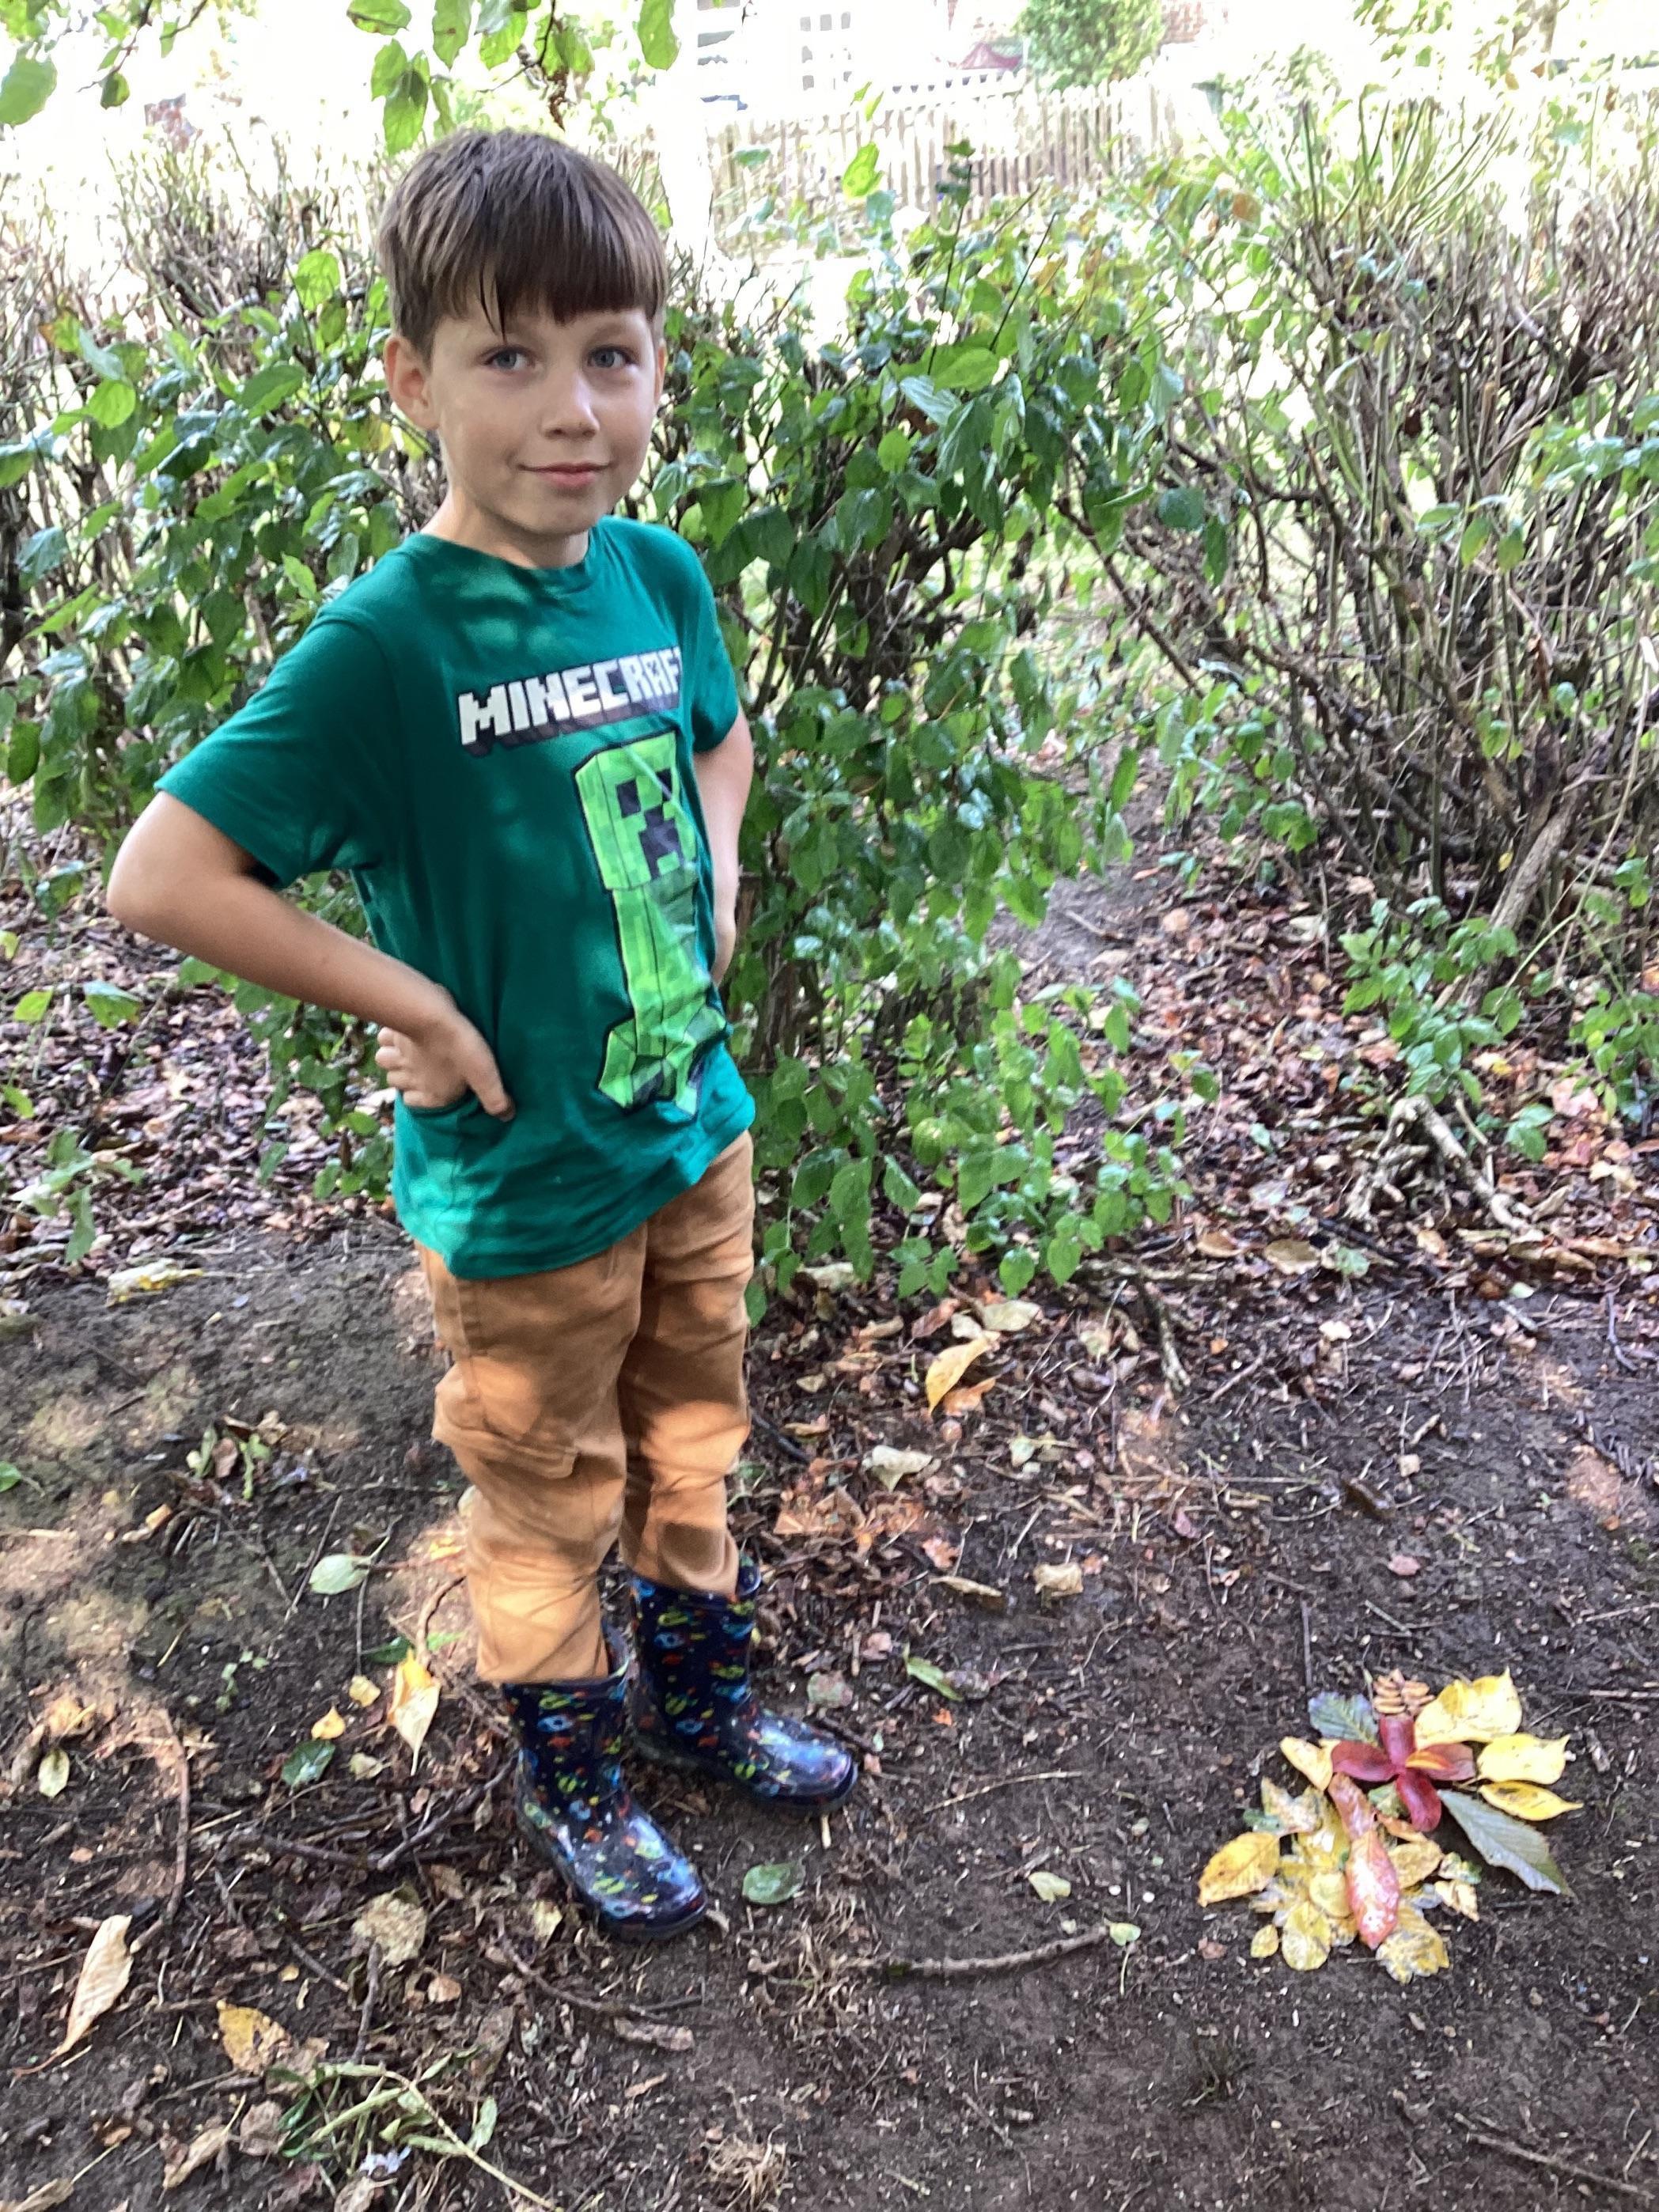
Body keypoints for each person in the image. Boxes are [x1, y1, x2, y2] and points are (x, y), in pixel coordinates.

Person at [106, 128, 855, 1941]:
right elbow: (166, 873)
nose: (571, 408)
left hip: (691, 1130)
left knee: (693, 1438)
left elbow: (719, 734)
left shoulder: (655, 576)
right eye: (508, 356)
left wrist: (720, 861)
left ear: (655, 368)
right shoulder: (388, 644)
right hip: (523, 1190)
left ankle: (701, 1700)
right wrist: (417, 1003)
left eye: (611, 353)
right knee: (544, 1492)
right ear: (412, 378)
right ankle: (575, 1779)